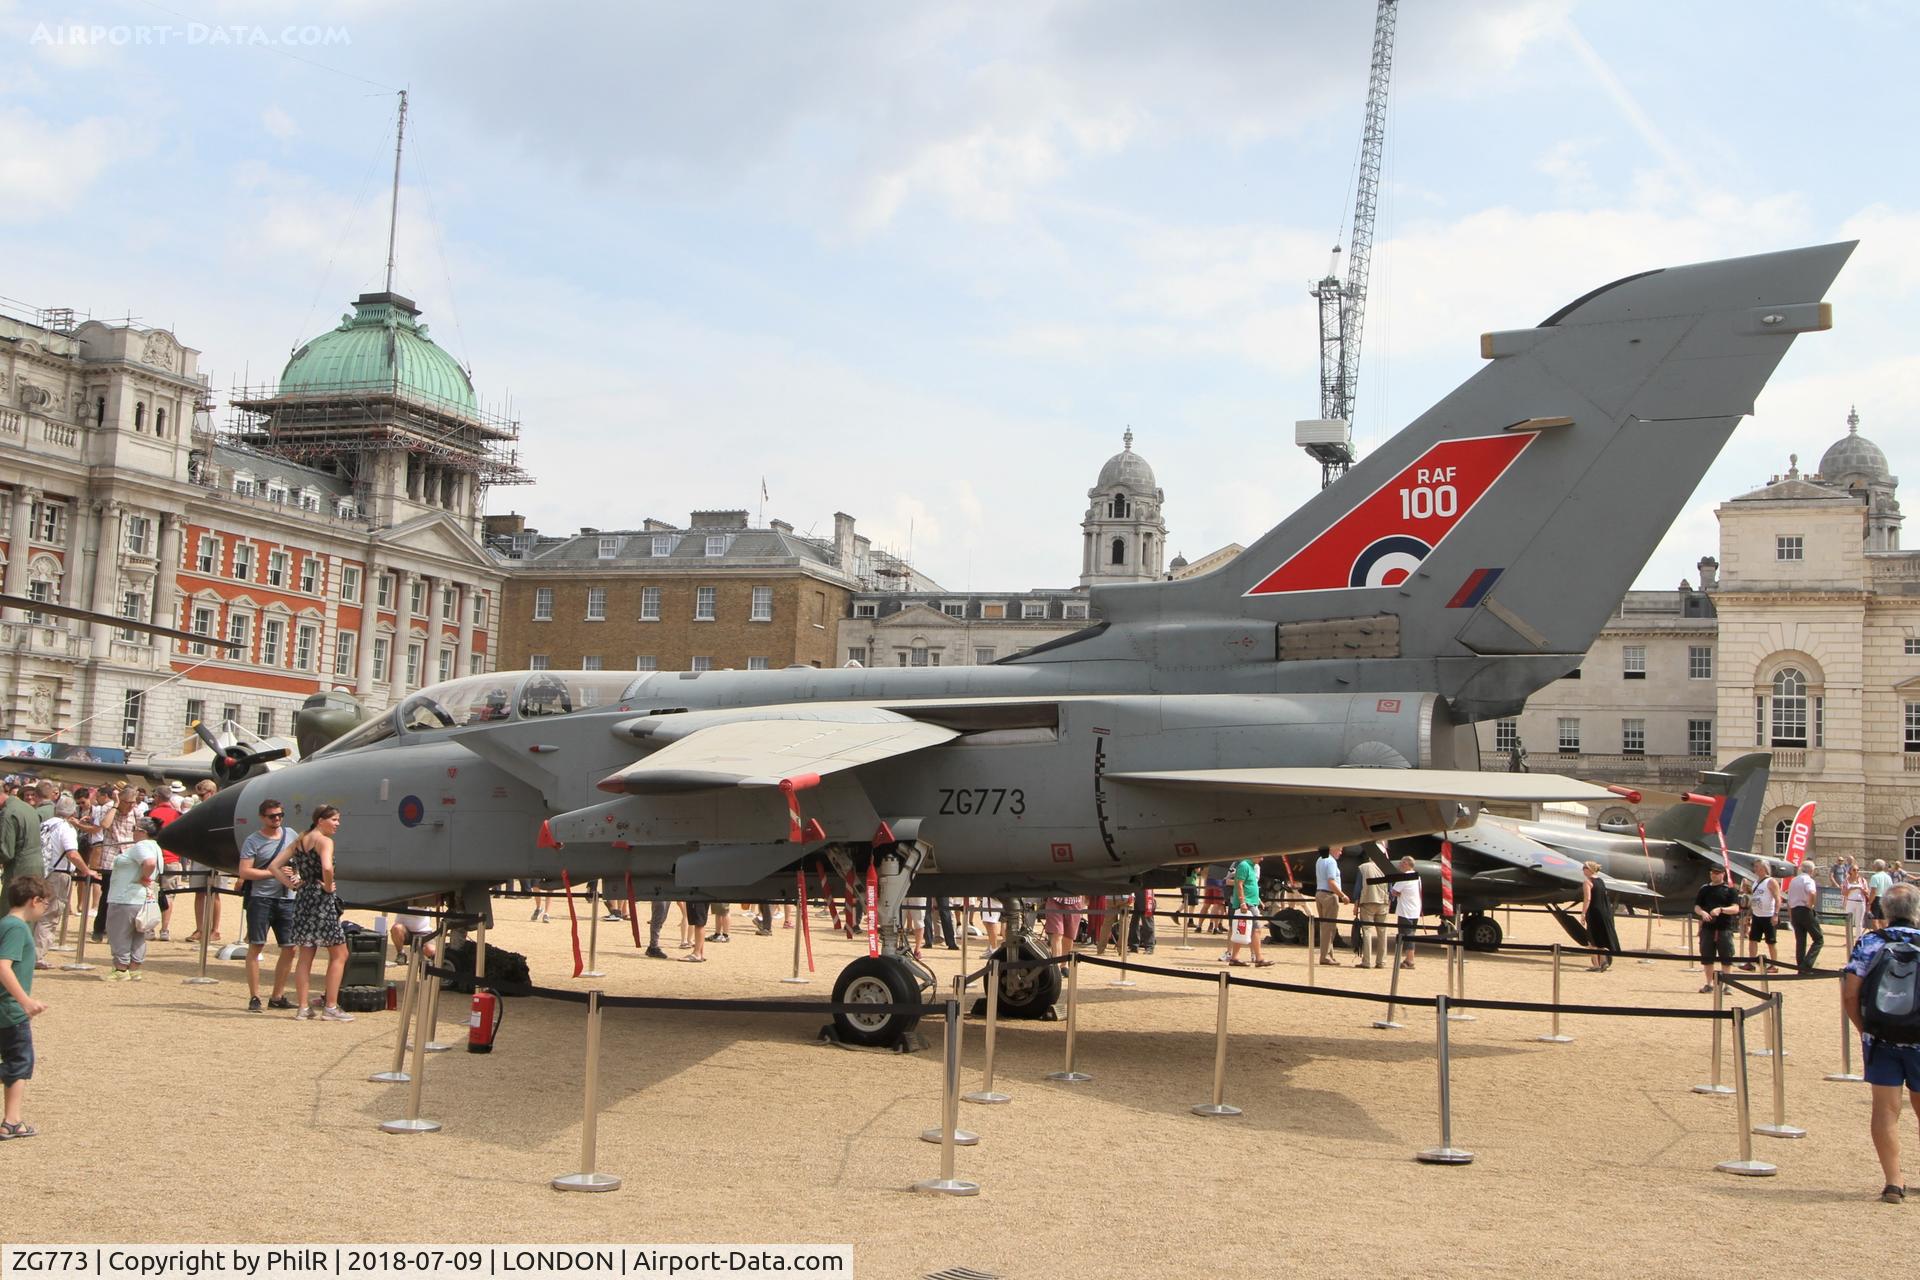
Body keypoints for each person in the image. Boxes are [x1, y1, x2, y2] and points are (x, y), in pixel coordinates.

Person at [1840, 882, 1920, 1204]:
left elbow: (1849, 993)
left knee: (1885, 1110)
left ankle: (1893, 1181)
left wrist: (1864, 1030)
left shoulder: (1870, 942)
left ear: (1885, 910)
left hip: (1882, 1035)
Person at [265, 806, 353, 1021]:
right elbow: (327, 867)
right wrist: (328, 886)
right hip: (321, 901)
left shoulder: (300, 841)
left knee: (306, 954)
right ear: (320, 820)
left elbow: (274, 866)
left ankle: (303, 1007)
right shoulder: (324, 841)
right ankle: (330, 1006)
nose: (337, 824)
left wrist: (292, 885)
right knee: (340, 954)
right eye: (334, 819)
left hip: (304, 898)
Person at [233, 799, 298, 1013]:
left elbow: (300, 862)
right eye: (272, 816)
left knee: (290, 948)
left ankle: (277, 996)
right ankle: (255, 996)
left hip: (287, 898)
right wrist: (275, 872)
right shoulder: (253, 840)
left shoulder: (291, 835)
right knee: (256, 946)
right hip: (261, 899)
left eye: (280, 814)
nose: (277, 819)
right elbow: (245, 871)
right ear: (262, 817)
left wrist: (296, 875)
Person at [0, 876, 51, 1139]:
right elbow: (3, 967)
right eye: (45, 902)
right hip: (9, 1009)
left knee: (18, 1062)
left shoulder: (6, 925)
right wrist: (25, 1001)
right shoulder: (16, 928)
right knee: (19, 1063)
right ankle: (10, 1119)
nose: (45, 908)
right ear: (34, 900)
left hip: (8, 1008)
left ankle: (12, 1120)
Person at [104, 816, 160, 981]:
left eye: (134, 829)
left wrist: (144, 877)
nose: (132, 832)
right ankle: (134, 968)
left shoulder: (141, 846)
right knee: (137, 935)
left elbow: (149, 863)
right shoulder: (155, 846)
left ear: (142, 831)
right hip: (141, 897)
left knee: (119, 933)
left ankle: (121, 969)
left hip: (126, 897)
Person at [33, 798, 86, 967]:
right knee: (50, 915)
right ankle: (37, 956)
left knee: (36, 913)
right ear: (72, 813)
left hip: (40, 871)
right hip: (58, 874)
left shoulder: (45, 824)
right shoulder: (66, 828)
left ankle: (30, 952)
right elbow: (72, 854)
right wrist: (86, 870)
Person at [1693, 865, 1742, 993]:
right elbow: (1697, 906)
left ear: (1722, 874)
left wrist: (1721, 910)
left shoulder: (1730, 890)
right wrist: (1702, 913)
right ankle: (1709, 984)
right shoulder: (1704, 889)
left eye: (1716, 873)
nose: (1713, 875)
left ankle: (1727, 985)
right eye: (1712, 872)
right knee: (1707, 957)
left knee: (1726, 957)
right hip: (1708, 928)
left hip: (1724, 928)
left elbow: (1736, 908)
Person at [0, 782, 40, 908]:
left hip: (18, 871)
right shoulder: (27, 808)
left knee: (11, 913)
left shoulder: (8, 813)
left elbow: (6, 852)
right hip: (35, 869)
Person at [1226, 856, 1272, 967]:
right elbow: (1239, 884)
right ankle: (1259, 958)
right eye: (1260, 856)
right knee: (1256, 929)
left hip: (1251, 902)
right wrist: (1242, 902)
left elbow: (1250, 885)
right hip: (1247, 903)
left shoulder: (1252, 866)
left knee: (1241, 930)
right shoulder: (1244, 865)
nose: (1262, 859)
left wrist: (1258, 900)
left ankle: (1235, 958)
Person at [1741, 861, 1783, 972]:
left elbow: (1778, 899)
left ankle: (1774, 965)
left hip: (1768, 915)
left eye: (1757, 866)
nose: (1755, 868)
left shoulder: (1771, 881)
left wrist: (1776, 914)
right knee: (1753, 939)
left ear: (1763, 868)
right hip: (1757, 915)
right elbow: (1754, 900)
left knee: (1771, 941)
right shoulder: (1756, 882)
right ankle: (1751, 962)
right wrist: (1749, 915)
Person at [1353, 855, 1391, 969]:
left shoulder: (1363, 868)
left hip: (1368, 901)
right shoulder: (1385, 867)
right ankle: (1381, 961)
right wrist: (1389, 901)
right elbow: (1390, 886)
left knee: (1367, 931)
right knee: (1382, 933)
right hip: (1383, 902)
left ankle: (1367, 961)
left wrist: (1356, 904)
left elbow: (1358, 887)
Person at [1580, 862, 1619, 970]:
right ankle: (1603, 961)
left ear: (1589, 869)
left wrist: (1583, 913)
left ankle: (1596, 965)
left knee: (1591, 939)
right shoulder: (1601, 881)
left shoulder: (1587, 882)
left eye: (1584, 868)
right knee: (1600, 938)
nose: (1582, 870)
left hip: (1594, 912)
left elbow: (1587, 899)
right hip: (1603, 912)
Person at [1789, 859, 1825, 973]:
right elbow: (1812, 892)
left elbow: (1789, 898)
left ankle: (1800, 967)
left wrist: (1791, 915)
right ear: (1812, 870)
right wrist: (1810, 905)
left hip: (1794, 910)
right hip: (1805, 909)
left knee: (1800, 940)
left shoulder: (1794, 880)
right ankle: (1807, 965)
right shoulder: (1808, 880)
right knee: (1819, 939)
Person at [1314, 847, 1348, 964]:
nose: (1341, 852)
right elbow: (1331, 881)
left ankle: (1329, 954)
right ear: (1332, 849)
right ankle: (1325, 956)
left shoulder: (1320, 859)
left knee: (1325, 926)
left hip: (1319, 893)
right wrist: (1342, 895)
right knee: (1329, 927)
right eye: (1339, 849)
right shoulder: (1331, 861)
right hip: (1329, 895)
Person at [1390, 856, 1422, 968]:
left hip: (1406, 911)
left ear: (1406, 864)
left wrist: (1399, 893)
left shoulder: (1405, 876)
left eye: (1401, 863)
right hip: (1414, 909)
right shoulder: (1417, 876)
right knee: (1411, 934)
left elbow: (1394, 891)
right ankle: (1409, 958)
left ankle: (1410, 960)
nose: (1399, 865)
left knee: (1407, 935)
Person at [1869, 859, 1896, 929]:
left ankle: (1877, 935)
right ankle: (1886, 936)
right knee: (1883, 920)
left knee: (1875, 920)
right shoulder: (1888, 877)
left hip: (1877, 899)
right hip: (1885, 899)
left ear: (1875, 866)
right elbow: (1891, 890)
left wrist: (1869, 903)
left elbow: (1873, 892)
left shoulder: (1875, 877)